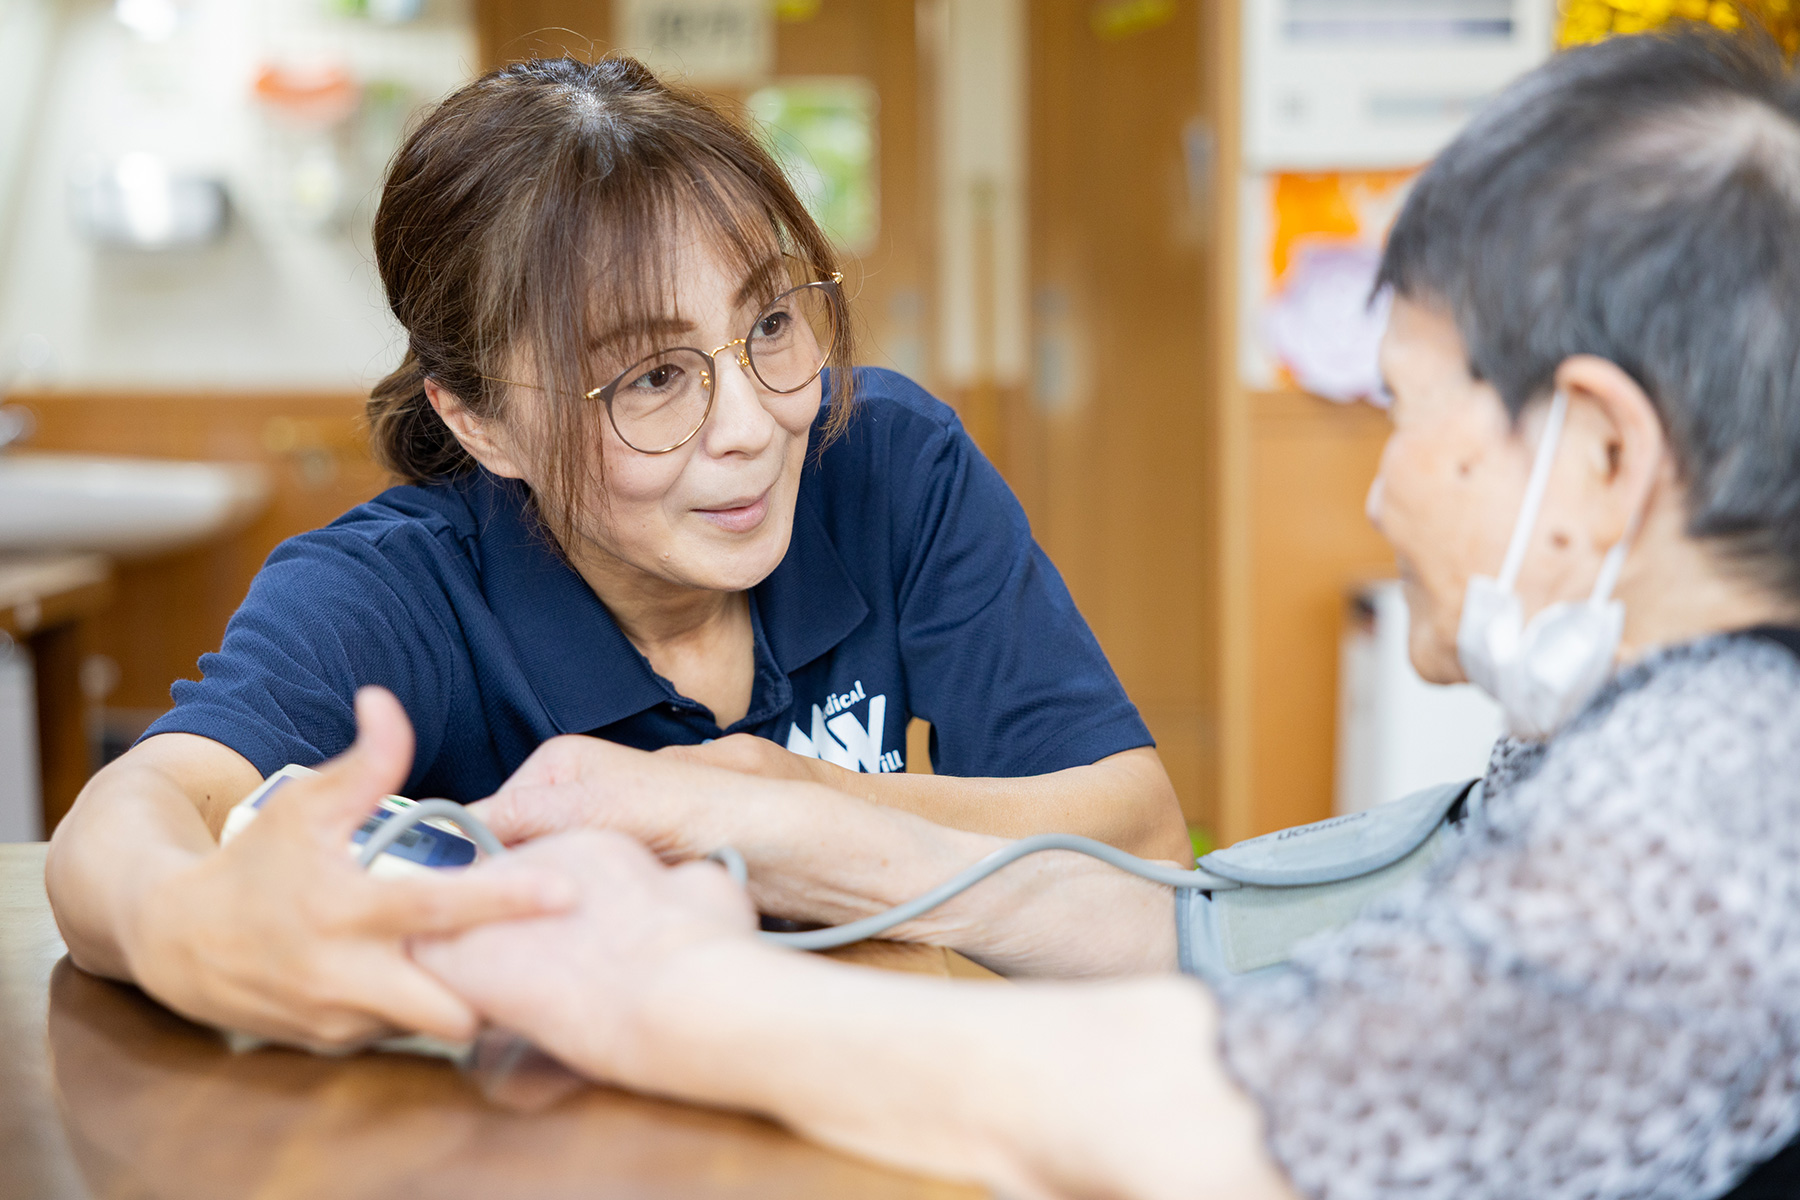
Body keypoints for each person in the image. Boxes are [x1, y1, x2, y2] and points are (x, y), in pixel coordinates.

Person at [401, 27, 1800, 1200]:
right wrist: (760, 809)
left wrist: (665, 993)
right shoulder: (1668, 737)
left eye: (1407, 409)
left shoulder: (1715, 816)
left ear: (1600, 455)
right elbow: (1194, 929)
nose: (1380, 492)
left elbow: (1224, 1119)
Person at [42, 57, 1188, 1050]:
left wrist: (783, 804)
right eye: (651, 378)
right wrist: (179, 922)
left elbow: (1140, 836)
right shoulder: (393, 592)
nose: (754, 423)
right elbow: (131, 817)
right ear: (481, 422)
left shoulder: (884, 461)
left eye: (772, 323)